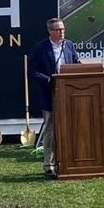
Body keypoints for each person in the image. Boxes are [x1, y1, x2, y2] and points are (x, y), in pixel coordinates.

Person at [29, 17, 81, 178]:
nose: (62, 32)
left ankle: (71, 160)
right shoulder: (41, 48)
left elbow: (76, 63)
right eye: (58, 29)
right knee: (51, 131)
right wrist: (49, 80)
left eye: (63, 29)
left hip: (69, 94)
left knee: (72, 127)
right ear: (50, 31)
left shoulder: (69, 45)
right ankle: (49, 165)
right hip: (51, 95)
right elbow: (33, 72)